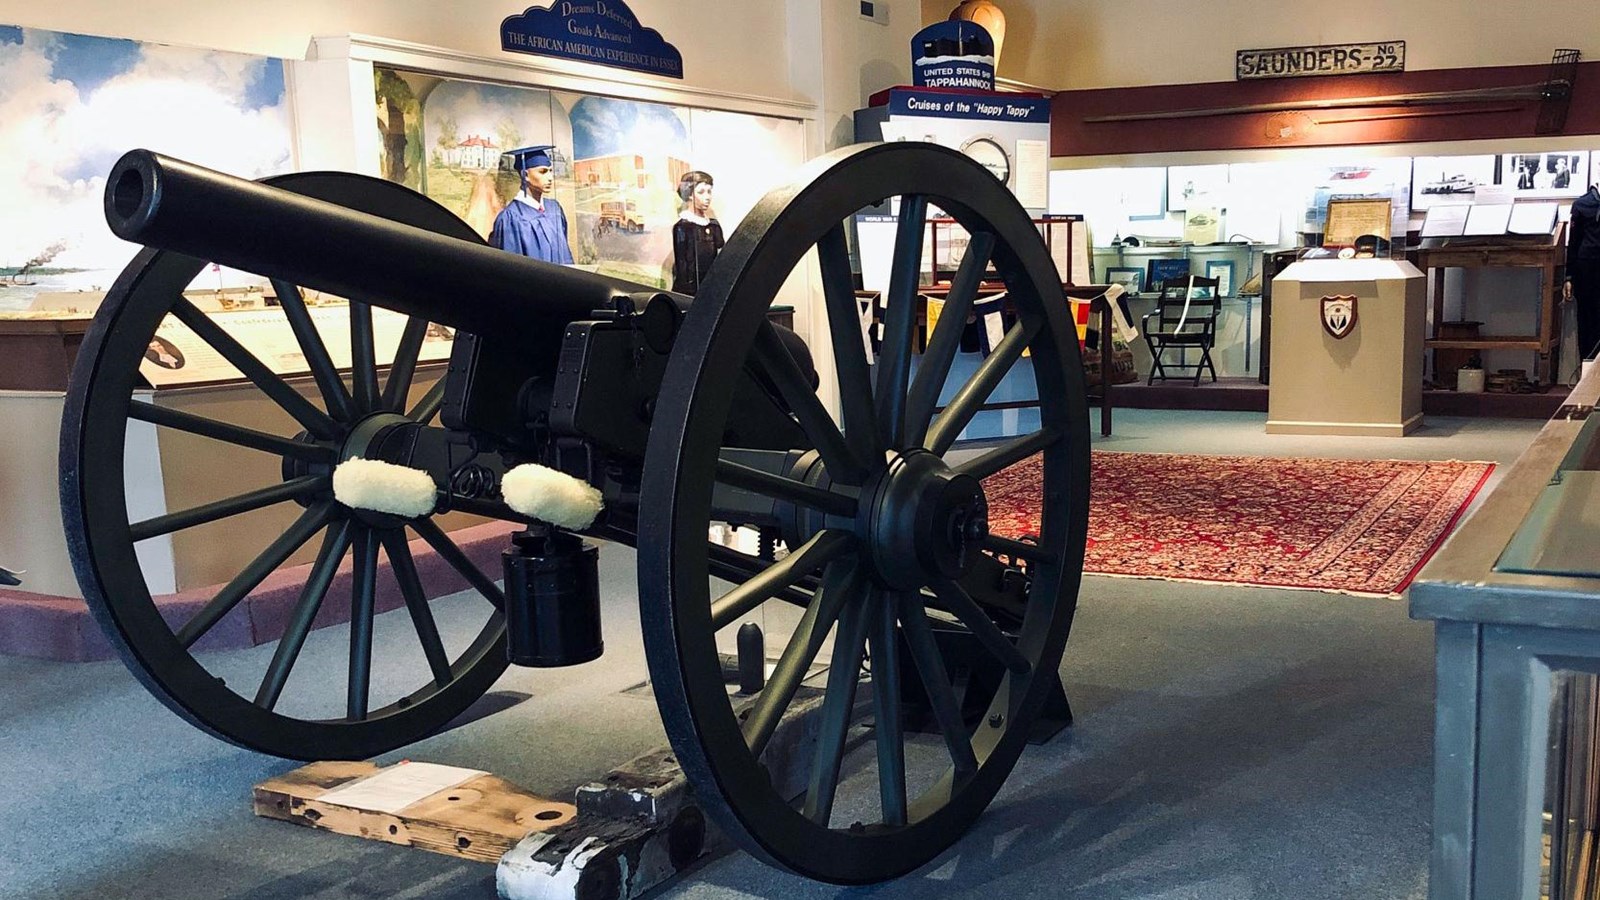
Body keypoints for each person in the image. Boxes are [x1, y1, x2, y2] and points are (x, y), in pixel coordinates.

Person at [490, 145, 574, 265]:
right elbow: (511, 270)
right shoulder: (510, 219)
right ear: (525, 175)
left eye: (550, 171)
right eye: (543, 171)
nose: (550, 178)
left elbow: (566, 255)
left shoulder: (554, 209)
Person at [670, 170, 724, 296]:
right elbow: (682, 267)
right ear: (689, 195)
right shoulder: (683, 227)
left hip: (711, 287)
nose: (707, 197)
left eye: (709, 191)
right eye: (701, 192)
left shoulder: (714, 225)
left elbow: (721, 258)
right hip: (691, 291)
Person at [1567, 184, 1600, 362]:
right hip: (1587, 271)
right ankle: (1587, 373)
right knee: (1588, 323)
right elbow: (1574, 243)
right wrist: (1568, 277)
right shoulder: (1582, 204)